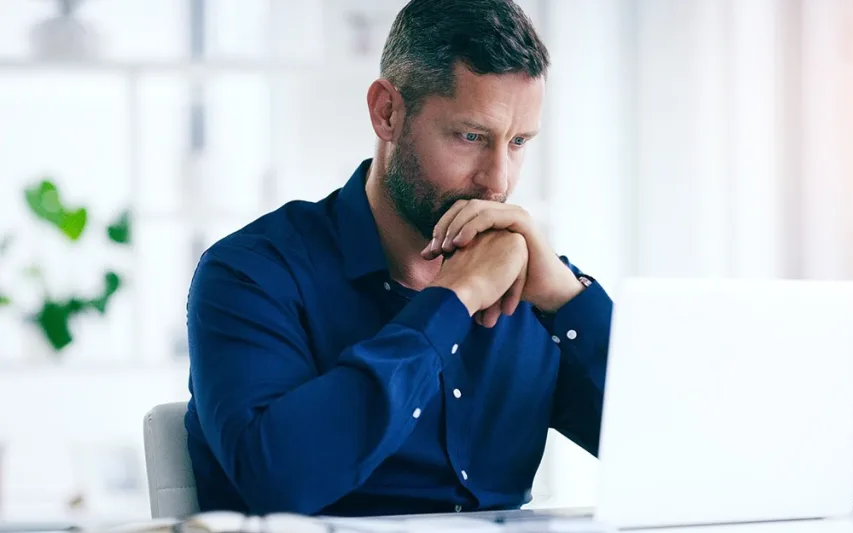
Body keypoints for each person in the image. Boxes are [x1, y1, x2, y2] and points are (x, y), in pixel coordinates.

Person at [184, 0, 613, 517]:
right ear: (387, 112)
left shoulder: (530, 287)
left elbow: (675, 452)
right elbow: (280, 482)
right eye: (471, 137)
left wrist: (567, 299)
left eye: (518, 142)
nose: (497, 181)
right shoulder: (252, 274)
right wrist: (453, 300)